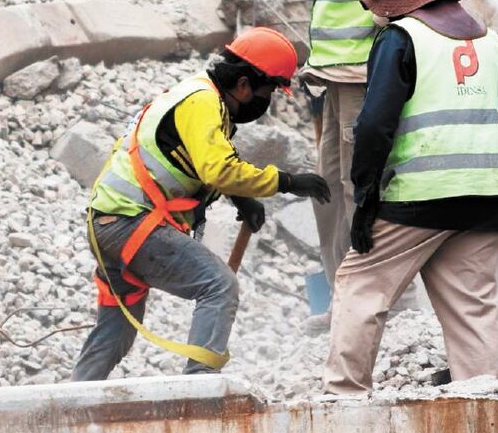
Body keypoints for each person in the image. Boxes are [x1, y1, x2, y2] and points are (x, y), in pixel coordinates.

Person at [323, 0, 498, 395]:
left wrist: (365, 201)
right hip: (487, 201)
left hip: (416, 200)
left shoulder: (401, 37)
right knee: (471, 309)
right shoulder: (488, 38)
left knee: (362, 285)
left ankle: (344, 398)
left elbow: (375, 126)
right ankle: (485, 405)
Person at [71, 27, 332, 381]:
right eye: (268, 90)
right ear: (243, 84)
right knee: (219, 285)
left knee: (115, 334)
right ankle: (199, 387)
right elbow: (220, 169)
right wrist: (287, 181)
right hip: (131, 224)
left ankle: (75, 401)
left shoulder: (196, 95)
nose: (267, 99)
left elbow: (198, 162)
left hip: (109, 225)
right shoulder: (203, 102)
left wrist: (243, 198)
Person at [303, 0, 424, 333]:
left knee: (361, 191)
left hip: (363, 78)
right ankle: (343, 300)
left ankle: (377, 306)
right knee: (330, 190)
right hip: (336, 79)